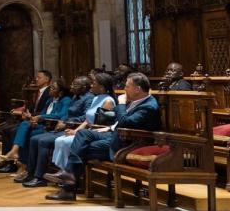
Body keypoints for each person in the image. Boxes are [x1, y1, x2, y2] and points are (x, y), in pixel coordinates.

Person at [46, 72, 160, 201]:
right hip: (115, 135)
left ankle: (68, 185)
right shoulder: (137, 101)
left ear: (137, 89)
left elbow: (125, 122)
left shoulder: (148, 106)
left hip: (127, 144)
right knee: (83, 134)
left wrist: (121, 104)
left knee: (80, 148)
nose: (124, 89)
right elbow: (122, 122)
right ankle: (69, 178)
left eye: (127, 86)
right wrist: (110, 127)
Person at [17, 76, 94, 187]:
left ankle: (40, 177)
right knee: (34, 139)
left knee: (43, 141)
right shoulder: (75, 97)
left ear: (84, 87)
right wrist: (64, 120)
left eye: (75, 85)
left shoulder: (89, 98)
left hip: (75, 129)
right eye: (72, 84)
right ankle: (31, 173)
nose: (71, 87)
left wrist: (67, 122)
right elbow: (68, 113)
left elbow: (86, 117)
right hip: (66, 126)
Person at [0, 78, 69, 167]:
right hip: (41, 124)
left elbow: (61, 114)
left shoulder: (66, 100)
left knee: (28, 134)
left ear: (60, 92)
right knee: (25, 125)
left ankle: (22, 162)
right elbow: (42, 114)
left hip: (51, 127)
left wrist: (40, 117)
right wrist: (32, 118)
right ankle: (21, 162)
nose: (50, 89)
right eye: (51, 87)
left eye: (53, 88)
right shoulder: (49, 100)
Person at [0, 70, 53, 173]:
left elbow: (45, 111)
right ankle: (7, 161)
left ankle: (13, 163)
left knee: (13, 131)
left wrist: (32, 116)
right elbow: (29, 106)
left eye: (39, 77)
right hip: (30, 119)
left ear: (47, 79)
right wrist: (23, 112)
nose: (36, 79)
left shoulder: (49, 93)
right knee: (5, 130)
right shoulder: (37, 92)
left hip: (39, 122)